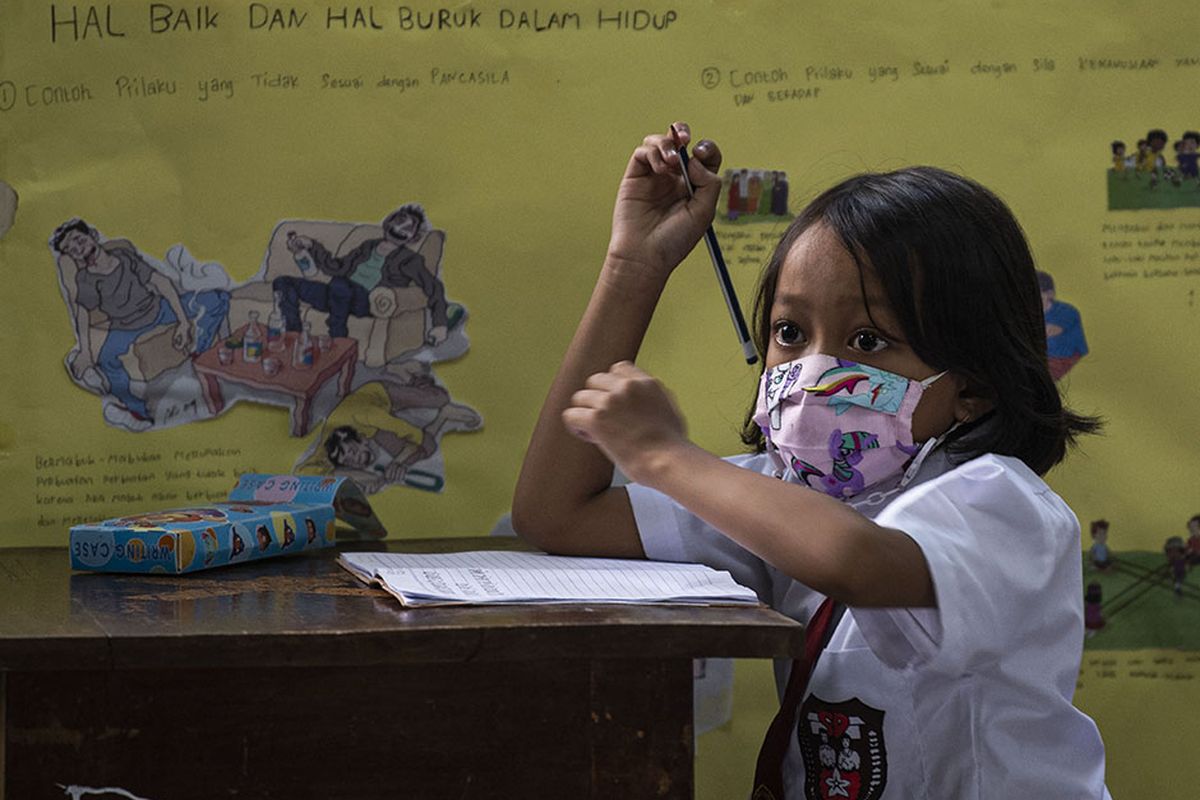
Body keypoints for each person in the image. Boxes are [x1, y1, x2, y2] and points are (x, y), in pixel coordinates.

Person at [513, 122, 1110, 798]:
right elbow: (554, 512)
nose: (816, 372)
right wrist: (634, 267)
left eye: (868, 339)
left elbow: (856, 562)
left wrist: (662, 454)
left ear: (972, 386)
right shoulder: (782, 496)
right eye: (790, 333)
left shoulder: (1002, 505)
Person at [51, 218, 230, 429]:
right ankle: (138, 412)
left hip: (157, 309)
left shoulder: (124, 257)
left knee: (217, 298)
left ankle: (199, 350)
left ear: (93, 235)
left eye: (79, 241)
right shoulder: (85, 280)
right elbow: (82, 313)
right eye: (71, 250)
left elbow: (161, 282)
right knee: (107, 361)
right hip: (125, 327)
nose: (78, 249)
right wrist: (84, 351)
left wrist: (183, 321)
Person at [274, 203, 455, 345]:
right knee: (283, 282)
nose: (401, 229)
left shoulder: (410, 260)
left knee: (340, 284)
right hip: (338, 295)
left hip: (365, 301)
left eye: (408, 228)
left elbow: (434, 287)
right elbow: (336, 267)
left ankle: (339, 340)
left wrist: (440, 325)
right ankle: (293, 336)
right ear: (390, 222)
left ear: (413, 237)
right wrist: (311, 245)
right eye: (400, 222)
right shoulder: (368, 246)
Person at [1038, 270, 1088, 380]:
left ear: (1050, 294)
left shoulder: (1066, 311)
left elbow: (1049, 331)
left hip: (1064, 356)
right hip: (1045, 357)